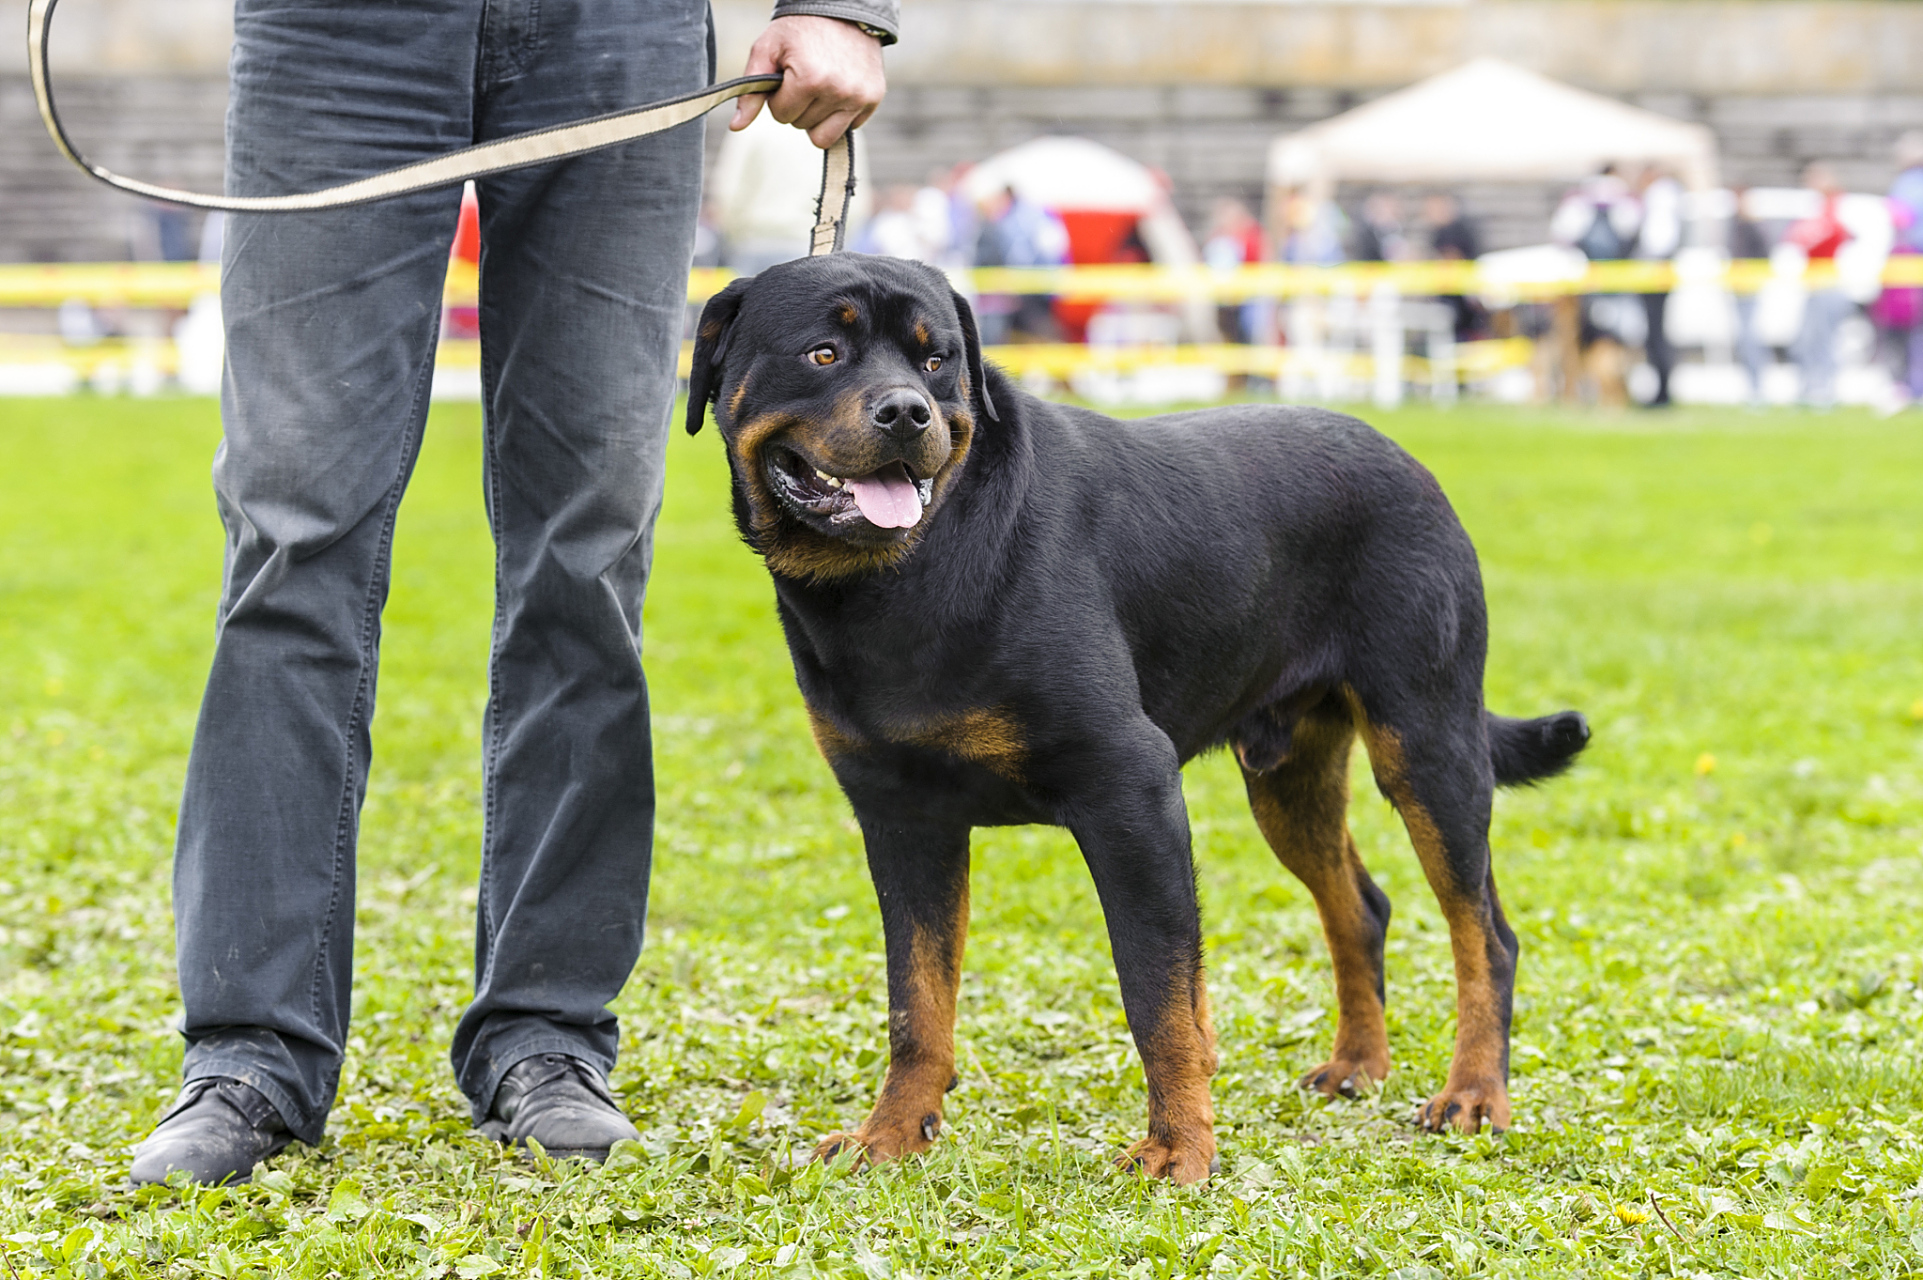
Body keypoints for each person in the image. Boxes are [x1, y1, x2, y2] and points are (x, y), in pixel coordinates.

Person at [128, 0, 895, 1187]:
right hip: (335, 34)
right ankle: (250, 1052)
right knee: (293, 534)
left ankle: (545, 1032)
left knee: (586, 548)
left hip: (614, 31)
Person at [1786, 161, 1854, 409]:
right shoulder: (1818, 208)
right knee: (1807, 339)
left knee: (1823, 339)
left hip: (1829, 283)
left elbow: (1808, 236)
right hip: (1815, 282)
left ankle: (1824, 391)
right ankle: (1810, 388)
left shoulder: (1837, 207)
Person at [1632, 166, 1684, 407]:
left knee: (1656, 336)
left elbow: (1658, 240)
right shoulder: (1667, 197)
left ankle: (1662, 392)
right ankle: (1661, 390)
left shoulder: (1659, 198)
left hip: (1654, 273)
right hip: (1659, 271)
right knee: (1657, 335)